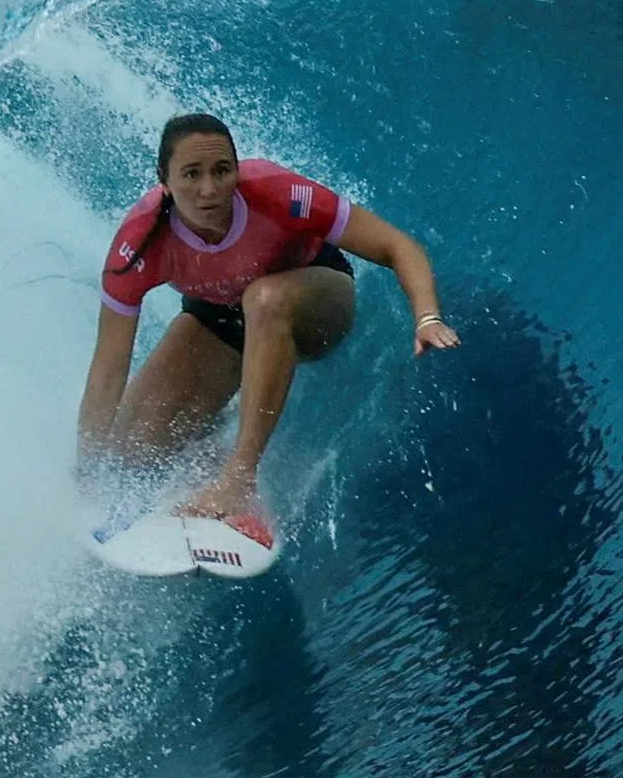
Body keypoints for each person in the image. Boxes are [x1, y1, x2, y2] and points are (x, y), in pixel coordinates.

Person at [77, 113, 460, 520]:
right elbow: (108, 370)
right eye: (191, 174)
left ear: (237, 171)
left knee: (265, 298)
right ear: (164, 179)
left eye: (222, 170)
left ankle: (238, 480)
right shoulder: (138, 245)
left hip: (315, 300)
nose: (209, 189)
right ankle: (210, 439)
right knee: (129, 455)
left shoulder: (277, 193)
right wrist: (86, 474)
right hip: (222, 317)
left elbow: (395, 245)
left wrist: (427, 317)